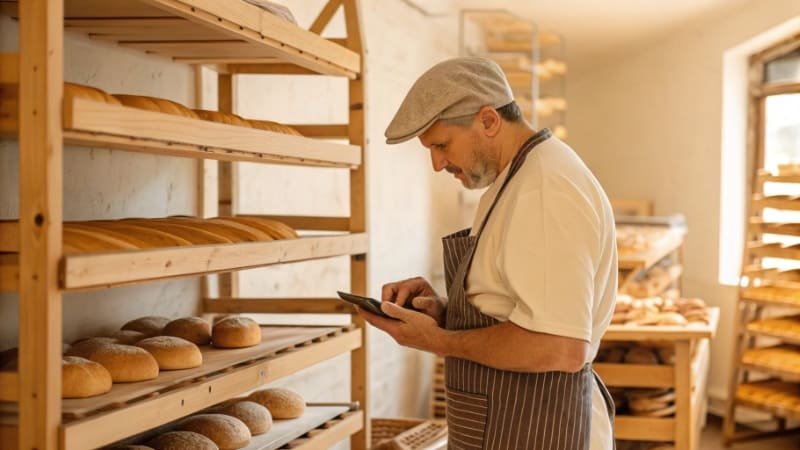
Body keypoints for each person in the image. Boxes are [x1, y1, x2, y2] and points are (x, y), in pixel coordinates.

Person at [357, 57, 617, 450]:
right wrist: (445, 312)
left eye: (442, 145)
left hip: (541, 428)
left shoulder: (546, 188)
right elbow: (512, 305)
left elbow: (559, 346)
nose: (437, 163)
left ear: (489, 121)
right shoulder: (514, 179)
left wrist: (439, 341)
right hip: (512, 424)